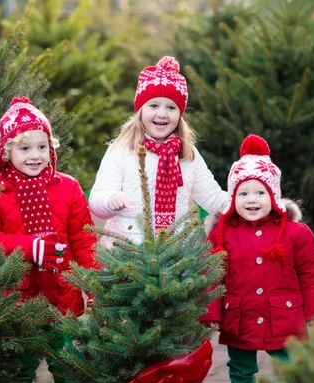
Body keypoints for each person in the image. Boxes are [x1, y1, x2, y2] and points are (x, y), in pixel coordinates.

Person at [0, 96, 95, 383]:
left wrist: (94, 286)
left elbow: (84, 240)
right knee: (18, 374)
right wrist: (32, 248)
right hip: (16, 304)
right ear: (6, 151)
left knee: (69, 370)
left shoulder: (68, 187)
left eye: (42, 147)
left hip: (61, 302)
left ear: (51, 150)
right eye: (24, 148)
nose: (35, 156)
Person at [201, 134, 314, 383]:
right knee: (240, 369)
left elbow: (311, 275)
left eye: (260, 192)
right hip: (240, 317)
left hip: (284, 317)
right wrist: (210, 311)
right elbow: (212, 275)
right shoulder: (222, 235)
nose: (252, 200)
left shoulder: (296, 233)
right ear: (233, 197)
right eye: (243, 193)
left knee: (294, 365)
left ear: (273, 196)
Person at [89, 56, 228, 246]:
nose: (162, 114)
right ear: (141, 110)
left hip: (176, 254)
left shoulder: (187, 154)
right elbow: (98, 198)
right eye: (153, 105)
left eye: (171, 107)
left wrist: (245, 202)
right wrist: (110, 200)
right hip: (127, 253)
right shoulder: (122, 149)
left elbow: (212, 196)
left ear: (180, 115)